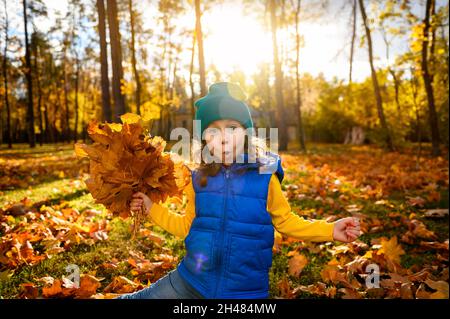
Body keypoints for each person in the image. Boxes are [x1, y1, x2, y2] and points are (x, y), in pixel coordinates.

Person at [115, 82, 361, 299]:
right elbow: (187, 227)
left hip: (245, 291)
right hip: (192, 281)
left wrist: (330, 230)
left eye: (232, 128)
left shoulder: (264, 176)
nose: (223, 138)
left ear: (245, 133)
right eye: (213, 130)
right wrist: (150, 206)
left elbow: (286, 221)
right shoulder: (198, 177)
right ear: (204, 139)